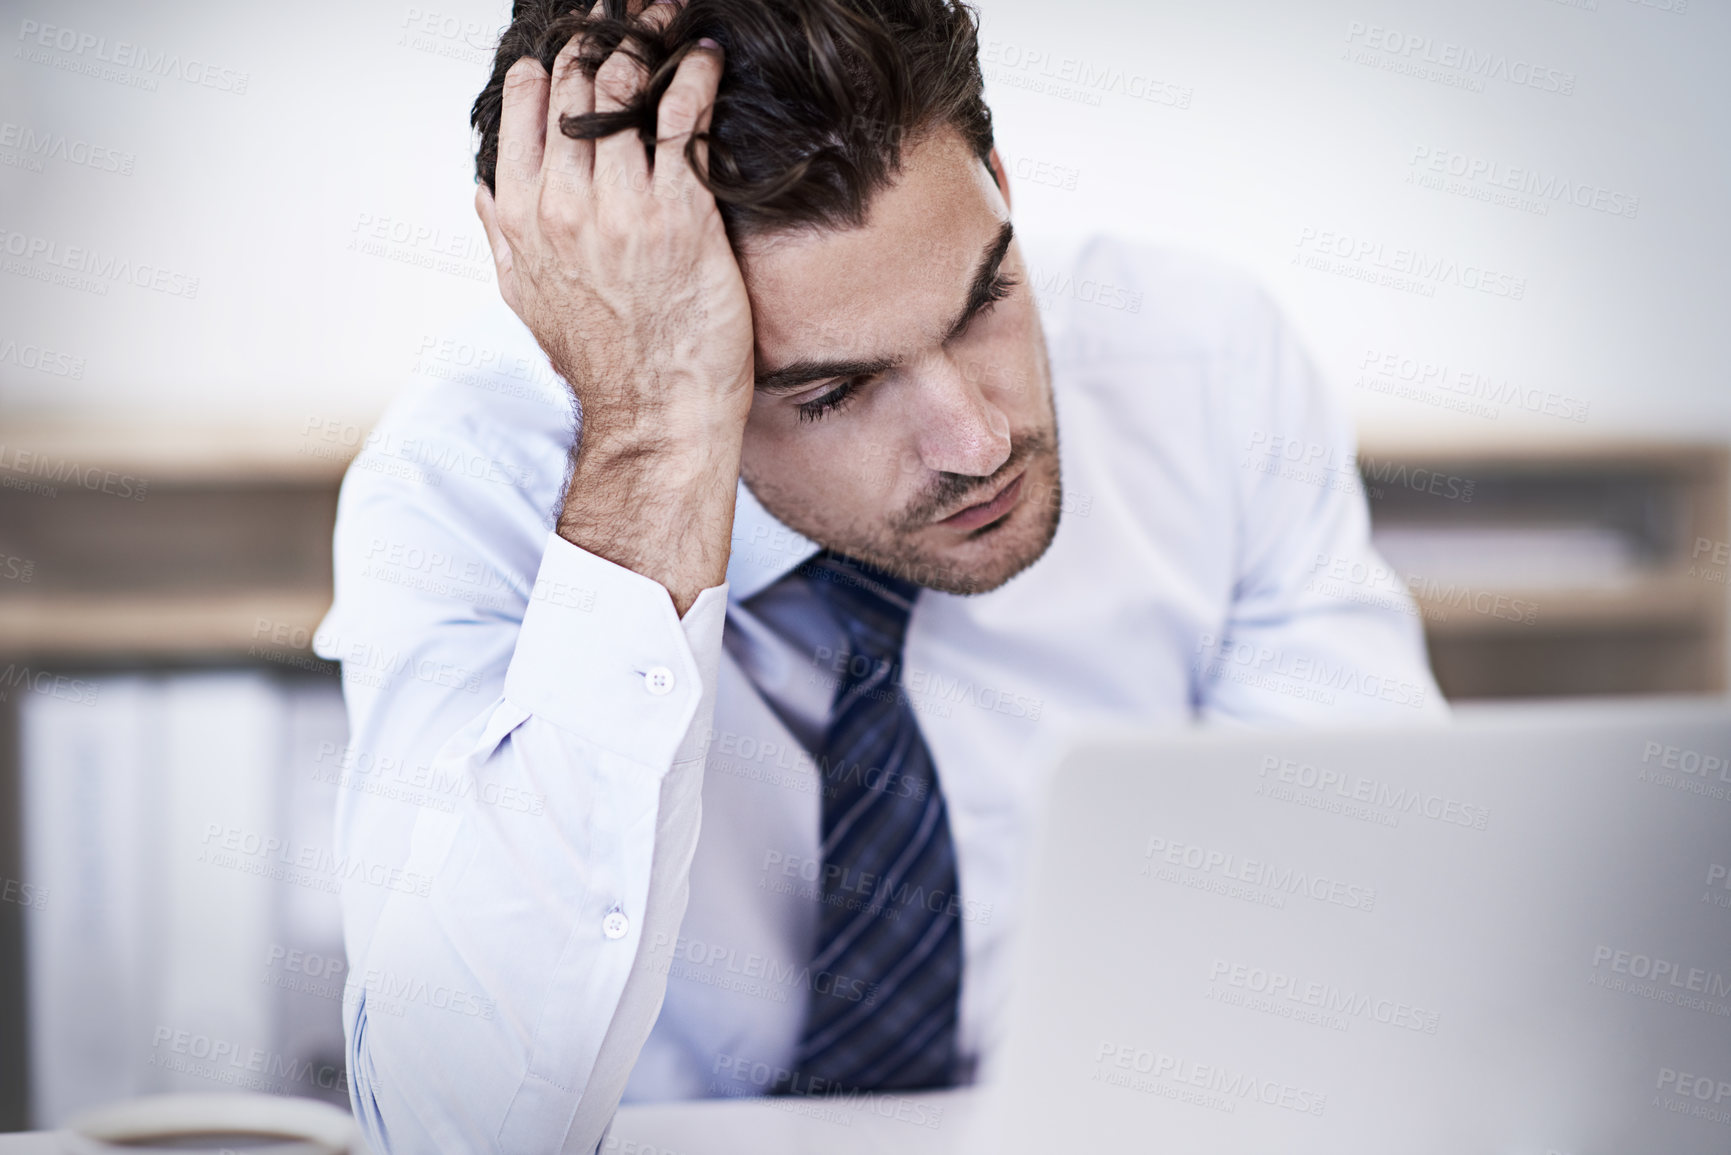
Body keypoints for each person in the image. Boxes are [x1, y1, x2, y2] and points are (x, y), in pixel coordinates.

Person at [314, 0, 1445, 1149]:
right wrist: (653, 439)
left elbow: (1384, 931)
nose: (979, 441)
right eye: (832, 392)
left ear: (998, 180)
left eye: (986, 298)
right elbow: (452, 1128)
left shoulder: (1205, 362)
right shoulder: (467, 487)